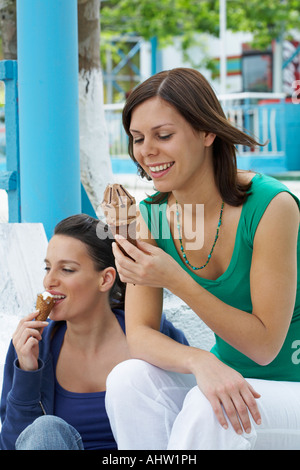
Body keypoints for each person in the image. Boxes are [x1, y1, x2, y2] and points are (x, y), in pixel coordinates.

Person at [105, 67, 300, 450]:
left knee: (210, 408)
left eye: (164, 135)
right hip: (228, 379)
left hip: (291, 390)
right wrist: (199, 360)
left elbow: (264, 348)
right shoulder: (151, 217)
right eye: (138, 138)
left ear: (208, 132)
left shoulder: (271, 207)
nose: (147, 151)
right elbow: (140, 337)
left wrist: (175, 278)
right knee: (128, 380)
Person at [0, 214, 188, 450]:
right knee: (45, 429)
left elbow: (187, 420)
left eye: (67, 269)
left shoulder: (154, 334)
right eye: (47, 268)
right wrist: (28, 372)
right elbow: (12, 443)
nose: (49, 280)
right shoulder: (31, 347)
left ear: (105, 279)